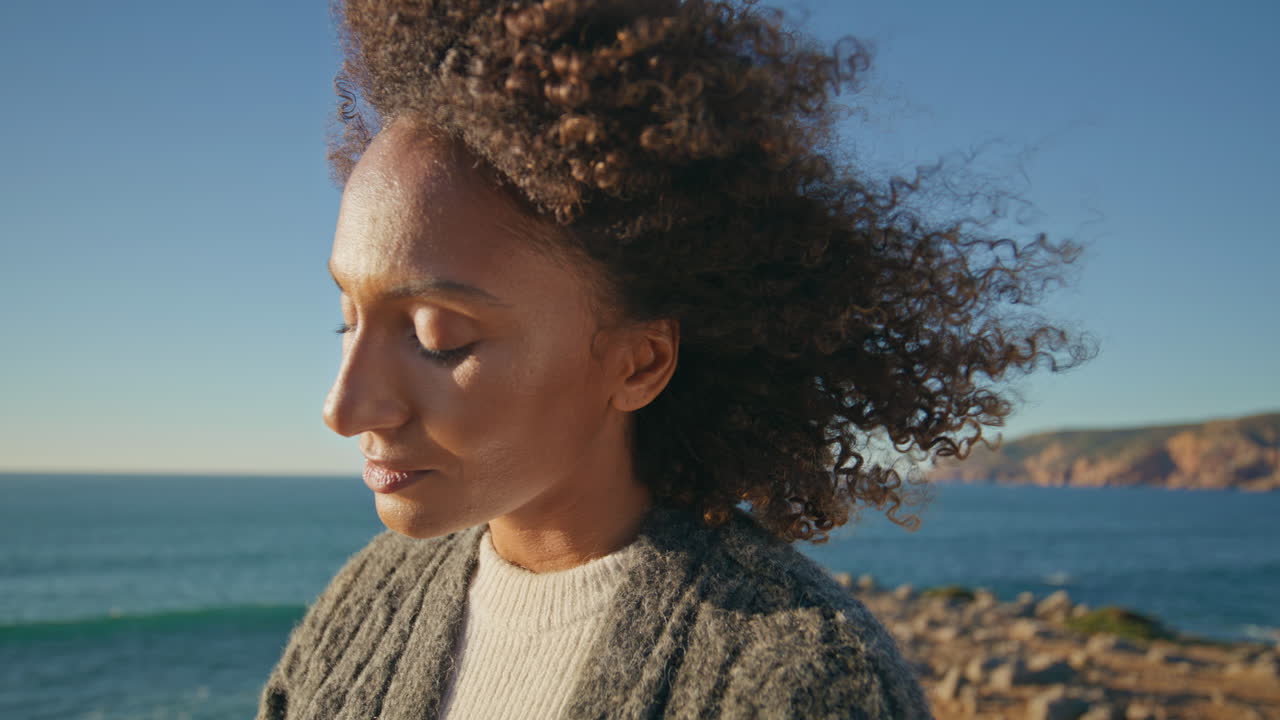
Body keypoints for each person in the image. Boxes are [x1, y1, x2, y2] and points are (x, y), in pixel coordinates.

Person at [257, 1, 1084, 718]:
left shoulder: (803, 684)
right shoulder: (365, 605)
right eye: (346, 319)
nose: (345, 406)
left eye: (440, 339)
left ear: (639, 363)